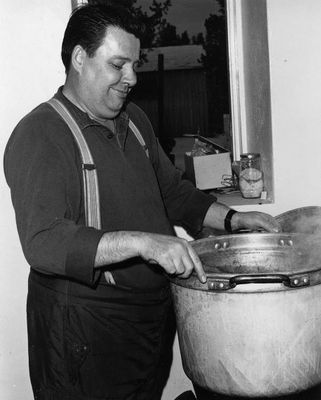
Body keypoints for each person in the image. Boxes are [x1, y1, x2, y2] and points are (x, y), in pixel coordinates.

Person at [4, 4, 281, 400]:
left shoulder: (134, 120)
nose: (131, 78)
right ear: (80, 58)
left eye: (135, 64)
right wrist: (145, 242)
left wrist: (236, 219)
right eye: (119, 65)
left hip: (146, 319)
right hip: (84, 332)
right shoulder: (41, 134)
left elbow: (172, 192)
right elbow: (43, 242)